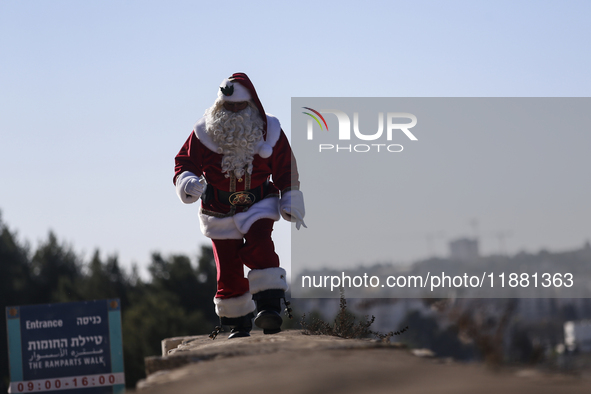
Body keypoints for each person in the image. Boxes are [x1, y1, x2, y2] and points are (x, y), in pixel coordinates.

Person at [173, 72, 306, 339]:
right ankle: (237, 322)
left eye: (238, 106)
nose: (233, 112)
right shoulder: (203, 133)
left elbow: (285, 168)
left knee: (261, 246)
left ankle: (270, 309)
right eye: (227, 106)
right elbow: (184, 163)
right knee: (228, 265)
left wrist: (290, 197)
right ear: (219, 105)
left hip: (259, 204)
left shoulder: (271, 132)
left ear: (252, 106)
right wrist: (187, 182)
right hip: (218, 210)